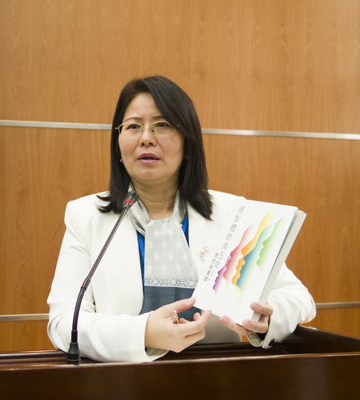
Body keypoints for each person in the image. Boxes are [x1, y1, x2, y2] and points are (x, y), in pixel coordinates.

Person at [47, 76, 316, 362]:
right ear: (118, 142)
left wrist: (266, 319)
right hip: (125, 379)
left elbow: (298, 298)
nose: (146, 138)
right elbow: (63, 322)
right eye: (133, 126)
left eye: (162, 125)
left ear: (188, 142)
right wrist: (143, 333)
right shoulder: (86, 216)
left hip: (217, 378)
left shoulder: (231, 212)